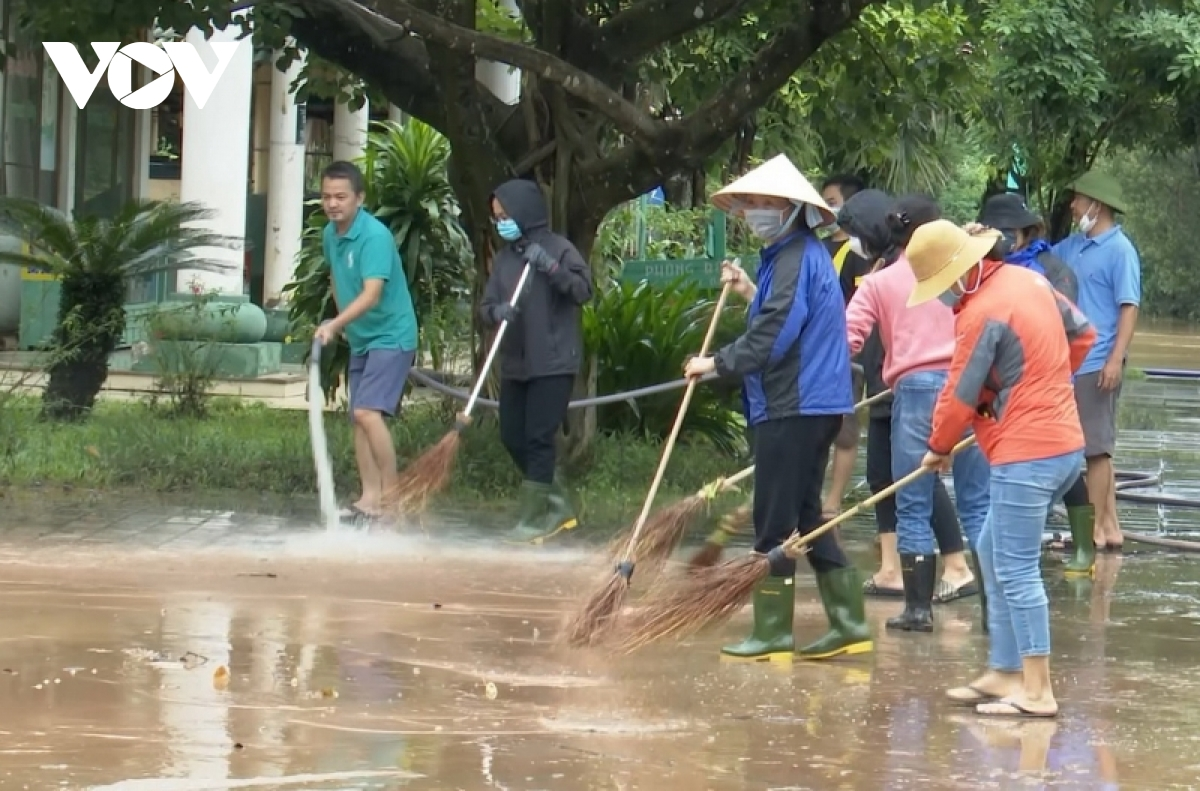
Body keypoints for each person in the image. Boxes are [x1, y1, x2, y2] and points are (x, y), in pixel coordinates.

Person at [907, 219, 1095, 719]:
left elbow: (958, 395)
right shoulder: (1027, 279)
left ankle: (1037, 690)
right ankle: (1005, 670)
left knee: (1016, 567)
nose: (942, 296)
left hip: (1027, 451)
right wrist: (1035, 380)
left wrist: (938, 445)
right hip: (1063, 445)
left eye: (941, 286)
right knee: (992, 546)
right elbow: (1084, 335)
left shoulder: (980, 314)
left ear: (961, 272)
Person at [684, 154, 867, 662]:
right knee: (808, 517)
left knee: (773, 522)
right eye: (752, 205)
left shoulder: (794, 258)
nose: (756, 212)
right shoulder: (792, 256)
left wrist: (716, 363)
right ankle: (849, 624)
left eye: (766, 203)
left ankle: (772, 635)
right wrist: (747, 291)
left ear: (791, 209)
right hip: (813, 403)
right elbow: (777, 317)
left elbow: (773, 334)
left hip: (796, 404)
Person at [840, 193, 990, 632]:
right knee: (978, 504)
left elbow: (846, 341)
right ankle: (992, 610)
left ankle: (917, 610)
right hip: (971, 384)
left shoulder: (878, 282)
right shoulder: (967, 271)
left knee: (912, 502)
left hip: (916, 391)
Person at [975, 194, 1093, 575]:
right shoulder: (985, 271)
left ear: (1027, 232)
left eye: (1011, 232)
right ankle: (1021, 542)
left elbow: (1072, 330)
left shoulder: (1052, 271)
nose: (1006, 240)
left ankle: (1084, 548)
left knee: (1061, 467)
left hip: (1049, 381)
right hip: (1001, 386)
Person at [480, 178, 593, 543]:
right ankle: (557, 504)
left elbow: (582, 291)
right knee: (513, 435)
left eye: (505, 216)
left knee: (538, 437)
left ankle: (533, 519)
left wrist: (550, 267)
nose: (501, 224)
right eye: (496, 218)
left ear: (524, 212)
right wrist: (497, 311)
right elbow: (483, 309)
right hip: (516, 361)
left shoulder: (559, 249)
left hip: (554, 361)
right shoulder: (504, 259)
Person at [314, 161, 418, 521]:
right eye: (326, 196)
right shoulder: (331, 234)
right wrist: (343, 325)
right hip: (363, 338)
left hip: (392, 335)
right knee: (358, 418)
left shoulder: (374, 237)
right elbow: (336, 277)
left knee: (367, 412)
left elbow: (372, 294)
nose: (332, 204)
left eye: (341, 196)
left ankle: (392, 498)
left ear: (359, 198)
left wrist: (335, 323)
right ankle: (369, 497)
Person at [1051, 171, 1141, 554]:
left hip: (1098, 361)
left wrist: (1115, 358)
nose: (1072, 206)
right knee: (1095, 447)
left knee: (1095, 449)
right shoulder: (1071, 247)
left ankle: (1093, 530)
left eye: (1077, 199)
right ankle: (1110, 526)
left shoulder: (1120, 250)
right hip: (1071, 362)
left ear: (1096, 205)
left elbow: (1128, 306)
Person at [819, 174, 873, 520]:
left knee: (845, 428)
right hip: (817, 350)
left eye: (833, 200)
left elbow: (864, 305)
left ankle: (833, 502)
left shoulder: (859, 253)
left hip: (848, 351)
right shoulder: (817, 247)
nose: (826, 207)